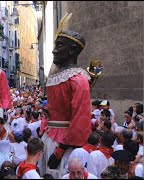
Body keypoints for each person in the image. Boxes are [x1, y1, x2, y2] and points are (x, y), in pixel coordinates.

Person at [38, 14, 92, 179]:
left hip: (66, 145)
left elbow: (80, 120)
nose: (54, 50)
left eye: (59, 45)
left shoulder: (78, 80)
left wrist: (60, 150)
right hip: (49, 139)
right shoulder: (56, 78)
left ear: (73, 50)